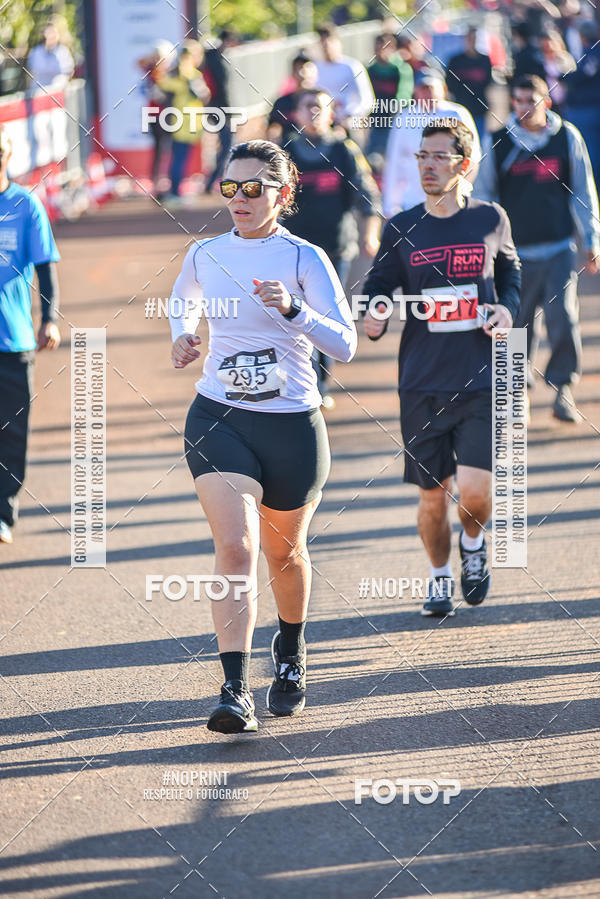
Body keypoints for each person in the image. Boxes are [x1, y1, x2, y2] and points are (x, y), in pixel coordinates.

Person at [168, 139, 357, 733]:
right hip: (219, 416)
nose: (240, 199)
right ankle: (232, 689)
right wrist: (184, 333)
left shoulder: (305, 258)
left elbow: (345, 344)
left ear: (284, 192)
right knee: (238, 548)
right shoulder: (206, 253)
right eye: (231, 188)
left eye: (254, 188)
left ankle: (292, 651)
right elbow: (182, 301)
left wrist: (297, 312)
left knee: (285, 552)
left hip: (293, 424)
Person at [363, 120, 520, 617]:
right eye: (422, 156)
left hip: (479, 376)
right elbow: (379, 284)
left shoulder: (490, 219)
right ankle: (438, 578)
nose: (428, 165)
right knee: (433, 499)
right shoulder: (402, 226)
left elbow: (510, 272)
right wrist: (374, 313)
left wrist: (507, 310)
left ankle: (473, 546)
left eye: (439, 156)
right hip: (422, 381)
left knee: (473, 493)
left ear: (464, 164)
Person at [475, 74, 599, 421]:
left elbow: (583, 192)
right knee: (515, 325)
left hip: (559, 248)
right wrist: (486, 249)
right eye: (518, 101)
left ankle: (563, 389)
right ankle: (518, 393)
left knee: (564, 320)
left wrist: (591, 240)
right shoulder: (499, 141)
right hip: (515, 255)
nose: (525, 107)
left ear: (546, 101)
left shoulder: (565, 137)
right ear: (512, 102)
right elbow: (485, 197)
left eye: (532, 100)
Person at [284, 88, 381, 407]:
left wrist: (370, 233)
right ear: (297, 113)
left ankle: (321, 383)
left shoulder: (344, 150)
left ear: (330, 113)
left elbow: (366, 194)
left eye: (319, 106)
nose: (312, 112)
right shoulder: (284, 152)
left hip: (335, 249)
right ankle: (302, 379)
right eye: (306, 106)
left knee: (325, 314)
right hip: (292, 250)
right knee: (294, 314)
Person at [0, 126, 61, 545]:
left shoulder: (25, 205)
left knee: (12, 431)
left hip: (12, 338)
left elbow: (45, 266)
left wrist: (49, 318)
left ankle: (3, 509)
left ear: (5, 156)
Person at [382, 72, 481, 219]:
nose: (426, 93)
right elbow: (395, 162)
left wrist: (462, 190)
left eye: (431, 88)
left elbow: (472, 157)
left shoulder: (457, 114)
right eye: (422, 89)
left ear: (443, 89)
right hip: (414, 202)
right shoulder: (404, 117)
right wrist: (390, 205)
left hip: (451, 204)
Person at [158, 44, 210, 204]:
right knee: (179, 159)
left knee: (179, 159)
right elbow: (205, 95)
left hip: (186, 123)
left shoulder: (184, 75)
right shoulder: (189, 75)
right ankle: (174, 193)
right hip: (184, 125)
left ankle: (175, 192)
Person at [366, 33, 414, 167]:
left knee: (393, 155)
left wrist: (393, 109)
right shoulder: (371, 70)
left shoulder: (401, 69)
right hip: (376, 121)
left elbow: (404, 96)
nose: (380, 52)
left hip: (394, 120)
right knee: (372, 156)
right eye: (377, 48)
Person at [315, 24, 375, 126]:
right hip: (324, 123)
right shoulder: (315, 68)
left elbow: (367, 99)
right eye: (323, 43)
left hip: (349, 123)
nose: (327, 48)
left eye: (330, 43)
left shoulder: (352, 66)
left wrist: (352, 117)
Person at [138, 40, 176, 196]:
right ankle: (157, 183)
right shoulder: (151, 71)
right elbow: (139, 62)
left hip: (169, 115)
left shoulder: (170, 72)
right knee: (160, 149)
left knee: (168, 149)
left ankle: (164, 181)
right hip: (155, 115)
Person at [203, 30, 239, 195]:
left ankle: (213, 181)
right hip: (219, 109)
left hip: (217, 108)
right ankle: (214, 181)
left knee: (225, 146)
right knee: (227, 145)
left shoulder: (214, 57)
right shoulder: (215, 58)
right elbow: (221, 89)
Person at [565, 21, 600, 186]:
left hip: (587, 109)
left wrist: (563, 76)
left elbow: (584, 74)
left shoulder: (593, 52)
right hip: (589, 108)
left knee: (589, 153)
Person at [445, 27, 493, 137]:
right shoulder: (455, 60)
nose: (472, 41)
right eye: (470, 38)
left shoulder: (484, 60)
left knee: (477, 139)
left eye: (475, 38)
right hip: (460, 107)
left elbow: (487, 82)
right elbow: (450, 83)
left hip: (478, 108)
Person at [266, 54, 318, 147]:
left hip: (319, 148)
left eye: (308, 69)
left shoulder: (322, 99)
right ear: (293, 73)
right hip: (290, 150)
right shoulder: (282, 103)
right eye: (299, 69)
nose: (303, 74)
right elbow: (272, 126)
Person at [27, 19, 74, 88]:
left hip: (58, 92)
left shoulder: (63, 52)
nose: (51, 35)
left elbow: (68, 72)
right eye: (49, 32)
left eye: (54, 32)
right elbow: (33, 71)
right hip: (39, 91)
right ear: (44, 34)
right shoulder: (36, 52)